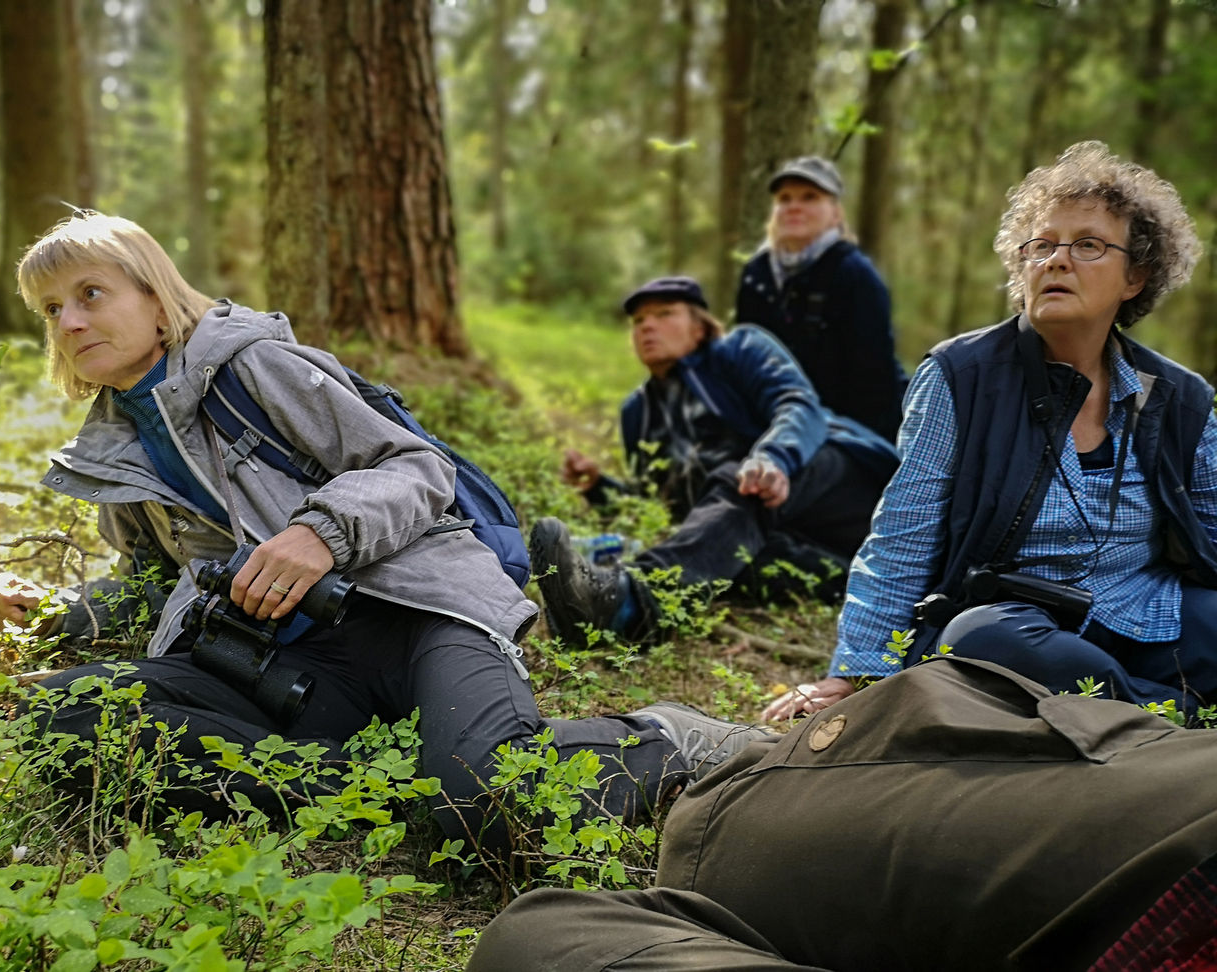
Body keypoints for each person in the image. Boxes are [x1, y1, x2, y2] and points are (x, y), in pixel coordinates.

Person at [8, 211, 775, 848]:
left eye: (91, 293)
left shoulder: (255, 367)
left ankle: (666, 740)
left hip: (419, 614)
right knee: (59, 718)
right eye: (51, 309)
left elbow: (416, 467)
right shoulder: (114, 444)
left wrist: (322, 532)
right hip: (288, 669)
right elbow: (152, 582)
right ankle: (381, 784)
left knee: (485, 804)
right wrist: (56, 614)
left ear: (152, 293)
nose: (71, 321)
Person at [766, 140, 1217, 723]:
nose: (1056, 260)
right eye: (1041, 246)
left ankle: (1120, 710)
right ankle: (1171, 718)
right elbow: (903, 534)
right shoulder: (961, 375)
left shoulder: (1180, 397)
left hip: (1146, 608)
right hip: (1015, 624)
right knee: (976, 640)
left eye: (1087, 245)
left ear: (1136, 276)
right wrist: (857, 672)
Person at [466, 656, 1217, 971]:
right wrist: (851, 668)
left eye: (667, 313)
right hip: (1162, 825)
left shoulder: (1176, 407)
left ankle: (737, 761)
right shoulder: (975, 375)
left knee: (548, 935)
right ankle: (748, 753)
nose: (650, 328)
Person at [532, 275, 897, 645]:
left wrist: (773, 458)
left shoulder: (740, 348)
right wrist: (598, 487)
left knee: (744, 478)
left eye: (664, 313)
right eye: (639, 321)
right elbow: (669, 511)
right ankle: (595, 613)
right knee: (728, 557)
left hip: (842, 489)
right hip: (797, 540)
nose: (648, 327)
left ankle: (630, 605)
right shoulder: (638, 413)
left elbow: (799, 406)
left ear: (699, 326)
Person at [734, 155, 909, 443]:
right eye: (784, 199)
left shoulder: (855, 275)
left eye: (809, 197)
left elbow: (874, 383)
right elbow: (748, 366)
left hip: (849, 434)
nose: (794, 207)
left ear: (835, 213)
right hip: (774, 430)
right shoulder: (757, 274)